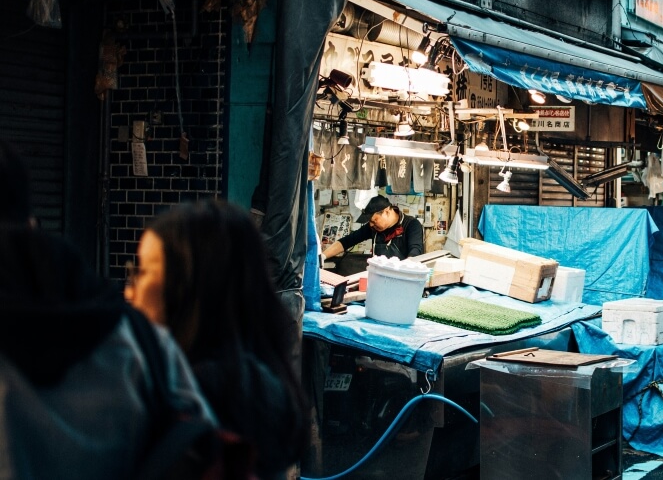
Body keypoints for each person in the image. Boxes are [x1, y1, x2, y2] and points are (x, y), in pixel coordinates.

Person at [0, 140, 215, 479]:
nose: (130, 288)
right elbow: (204, 455)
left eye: (143, 272)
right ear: (29, 220)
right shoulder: (144, 344)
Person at [127, 201, 308, 480]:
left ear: (188, 285)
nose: (130, 292)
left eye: (142, 272)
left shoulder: (199, 395)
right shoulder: (256, 381)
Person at [322, 194, 424, 260]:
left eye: (374, 220)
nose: (371, 224)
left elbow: (415, 252)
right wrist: (323, 256)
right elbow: (347, 241)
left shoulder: (411, 225)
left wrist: (401, 269)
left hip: (402, 281)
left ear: (387, 212)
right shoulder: (374, 228)